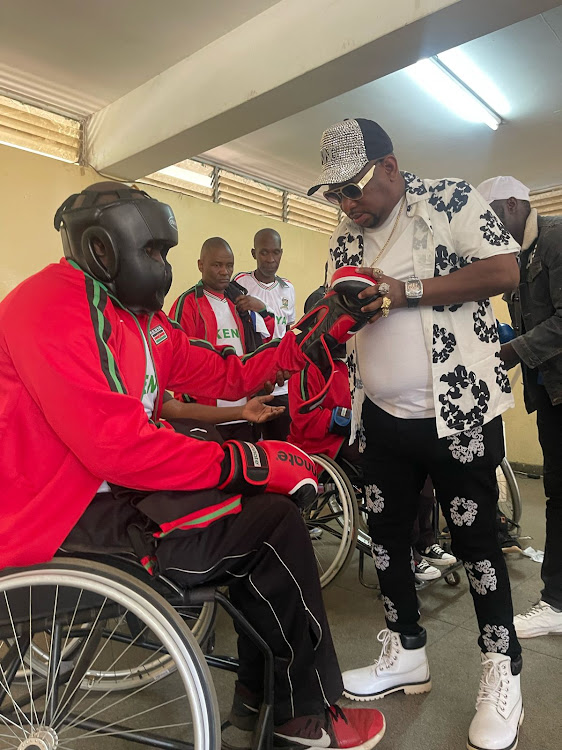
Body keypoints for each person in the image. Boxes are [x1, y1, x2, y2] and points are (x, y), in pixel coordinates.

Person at [0, 181, 386, 750]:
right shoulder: (48, 306)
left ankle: (264, 701)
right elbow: (117, 446)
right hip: (59, 525)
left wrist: (311, 335)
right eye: (153, 252)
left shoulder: (138, 320)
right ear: (104, 248)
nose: (163, 267)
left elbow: (229, 375)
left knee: (267, 515)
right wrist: (249, 461)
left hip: (109, 501)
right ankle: (303, 715)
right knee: (272, 524)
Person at [308, 118, 523, 750]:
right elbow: (343, 312)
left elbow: (505, 269)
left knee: (477, 542)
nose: (348, 205)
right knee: (388, 540)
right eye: (337, 195)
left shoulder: (450, 199)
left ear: (391, 166)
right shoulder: (346, 239)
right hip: (381, 415)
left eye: (356, 189)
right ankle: (407, 653)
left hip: (456, 413)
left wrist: (406, 293)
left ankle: (500, 670)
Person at [477, 175, 562, 639]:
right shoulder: (517, 259)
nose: (487, 228)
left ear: (514, 204)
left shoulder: (555, 240)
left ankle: (556, 602)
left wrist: (513, 352)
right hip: (551, 392)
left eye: (490, 217)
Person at [169, 236, 274, 441]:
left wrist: (261, 309)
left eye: (229, 265)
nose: (225, 272)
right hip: (205, 416)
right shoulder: (188, 303)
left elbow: (262, 341)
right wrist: (190, 405)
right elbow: (178, 359)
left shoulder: (240, 303)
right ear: (201, 265)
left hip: (244, 411)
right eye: (217, 265)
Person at [235, 228, 296, 439]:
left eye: (276, 252)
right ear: (254, 253)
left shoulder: (288, 288)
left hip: (281, 384)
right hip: (253, 381)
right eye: (264, 252)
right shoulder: (241, 283)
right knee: (253, 446)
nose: (270, 259)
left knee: (282, 444)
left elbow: (288, 331)